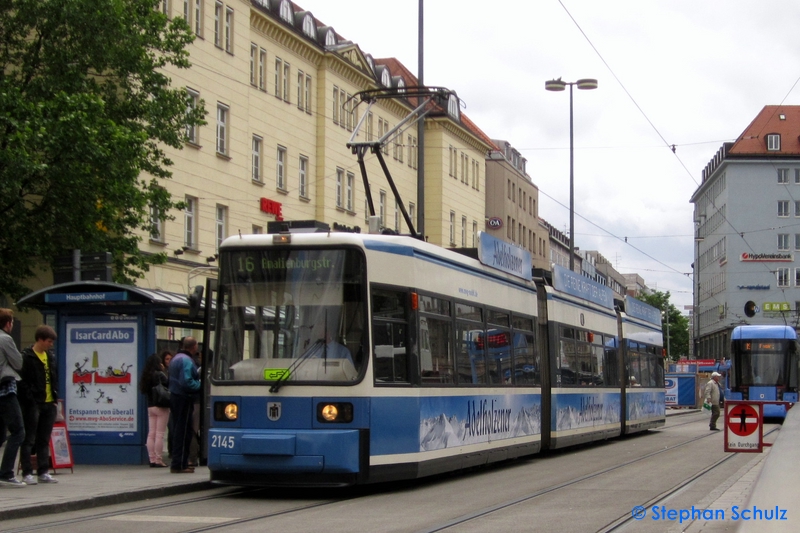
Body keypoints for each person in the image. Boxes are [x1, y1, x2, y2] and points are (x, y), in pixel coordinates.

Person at [18, 325, 59, 484]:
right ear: (40, 340)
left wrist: (55, 398)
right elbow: (22, 381)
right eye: (49, 341)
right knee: (29, 438)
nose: (51, 345)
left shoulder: (50, 356)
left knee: (44, 438)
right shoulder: (27, 357)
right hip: (34, 403)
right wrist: (31, 399)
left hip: (49, 402)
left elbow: (54, 377)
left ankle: (43, 471)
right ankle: (27, 472)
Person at [0, 309, 26, 488]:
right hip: (5, 391)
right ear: (8, 323)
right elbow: (19, 363)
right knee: (18, 431)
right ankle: (6, 474)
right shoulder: (5, 339)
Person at [168, 337, 200, 473]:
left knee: (177, 429)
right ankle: (180, 464)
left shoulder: (176, 358)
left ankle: (179, 461)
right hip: (184, 397)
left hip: (175, 396)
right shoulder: (187, 360)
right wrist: (200, 385)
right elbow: (187, 382)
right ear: (194, 347)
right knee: (184, 431)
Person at [139, 353, 169, 468]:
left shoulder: (146, 376)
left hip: (150, 407)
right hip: (161, 406)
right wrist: (163, 371)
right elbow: (168, 384)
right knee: (160, 434)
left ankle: (151, 459)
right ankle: (158, 459)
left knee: (151, 433)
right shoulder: (160, 374)